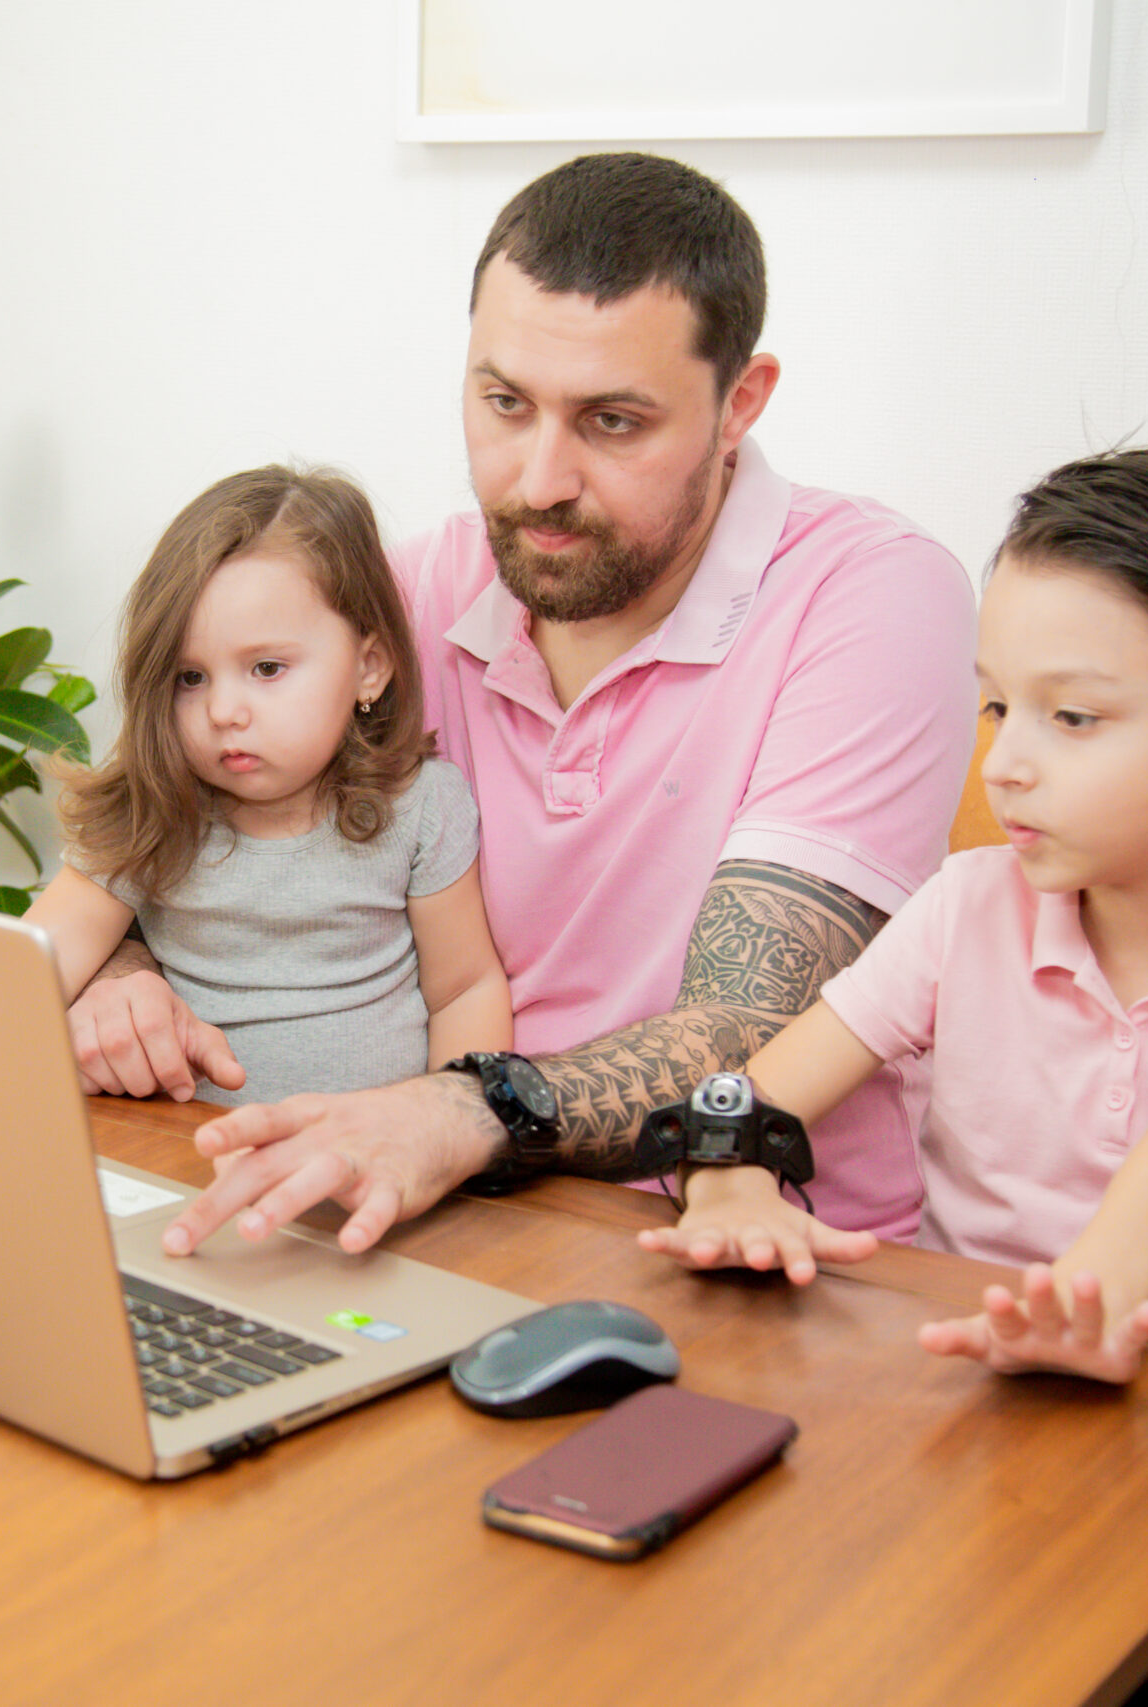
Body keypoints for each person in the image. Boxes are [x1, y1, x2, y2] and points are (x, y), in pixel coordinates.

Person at [72, 153, 977, 1257]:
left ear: (739, 403)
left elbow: (758, 1024)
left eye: (612, 423)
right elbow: (166, 827)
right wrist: (117, 980)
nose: (537, 480)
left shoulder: (873, 595)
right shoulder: (399, 600)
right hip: (429, 1209)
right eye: (503, 403)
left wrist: (463, 1110)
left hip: (752, 1244)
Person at [642, 444, 1148, 1382]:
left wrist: (1078, 1306)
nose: (1004, 763)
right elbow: (753, 1100)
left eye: (1074, 718)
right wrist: (729, 1186)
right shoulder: (966, 908)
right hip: (958, 1373)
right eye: (997, 705)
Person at [27, 465, 510, 1106]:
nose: (224, 710)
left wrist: (453, 1128)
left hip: (368, 1171)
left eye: (266, 668)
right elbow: (26, 978)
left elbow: (465, 989)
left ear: (369, 666)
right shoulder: (151, 810)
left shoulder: (421, 807)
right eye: (190, 678)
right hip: (187, 1160)